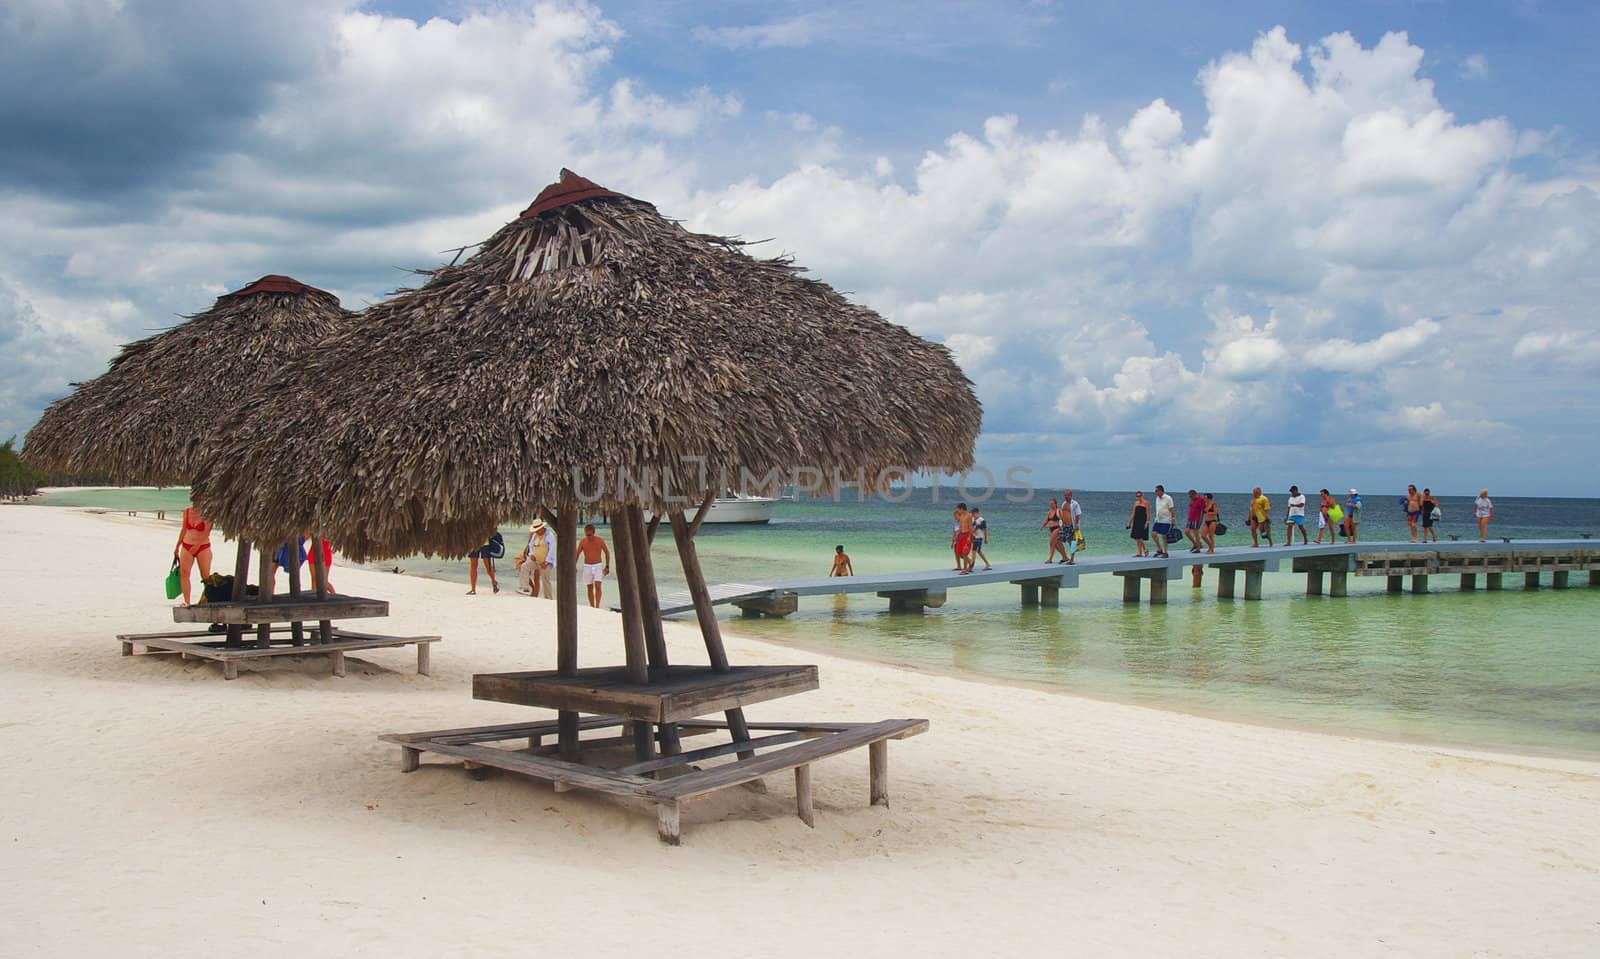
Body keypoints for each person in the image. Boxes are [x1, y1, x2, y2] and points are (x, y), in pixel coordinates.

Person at [172, 504, 213, 606]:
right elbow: (184, 529)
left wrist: (197, 545)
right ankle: (187, 601)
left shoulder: (207, 512)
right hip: (187, 545)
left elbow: (206, 532)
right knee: (184, 573)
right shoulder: (187, 511)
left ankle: (207, 598)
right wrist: (177, 546)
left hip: (203, 547)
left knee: (205, 576)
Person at [516, 518, 556, 597]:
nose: (537, 531)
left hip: (546, 562)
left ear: (542, 527)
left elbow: (552, 550)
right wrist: (531, 555)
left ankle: (548, 598)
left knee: (546, 580)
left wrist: (546, 562)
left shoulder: (550, 536)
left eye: (538, 529)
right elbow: (531, 546)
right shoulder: (535, 535)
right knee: (524, 567)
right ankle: (525, 588)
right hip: (535, 560)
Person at [577, 523, 610, 607]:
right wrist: (574, 565)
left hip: (598, 565)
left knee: (598, 586)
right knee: (589, 587)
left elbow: (607, 553)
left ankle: (597, 606)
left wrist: (607, 566)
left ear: (593, 532)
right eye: (586, 535)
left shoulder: (600, 540)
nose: (588, 536)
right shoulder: (583, 542)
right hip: (587, 566)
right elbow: (576, 554)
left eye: (590, 535)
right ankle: (592, 606)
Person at [466, 531, 502, 595]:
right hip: (473, 543)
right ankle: (473, 590)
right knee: (473, 565)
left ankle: (494, 582)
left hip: (485, 544)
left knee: (488, 566)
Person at [1150, 484, 1176, 558]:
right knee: (1153, 534)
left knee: (1164, 536)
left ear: (1161, 491)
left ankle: (1165, 552)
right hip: (1158, 519)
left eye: (1156, 491)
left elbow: (1172, 509)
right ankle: (1159, 549)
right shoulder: (1157, 498)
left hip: (1166, 520)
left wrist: (1173, 519)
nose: (1155, 492)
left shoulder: (1168, 498)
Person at [951, 502, 975, 574]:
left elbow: (971, 527)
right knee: (959, 552)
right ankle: (970, 562)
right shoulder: (961, 516)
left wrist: (969, 537)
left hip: (967, 535)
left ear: (962, 509)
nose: (958, 511)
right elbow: (960, 527)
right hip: (961, 535)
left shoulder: (969, 516)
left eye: (958, 509)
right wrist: (956, 535)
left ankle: (964, 570)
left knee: (965, 553)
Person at [1040, 498, 1067, 564]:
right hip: (1051, 529)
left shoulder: (1059, 511)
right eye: (1050, 504)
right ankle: (1065, 557)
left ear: (1055, 504)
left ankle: (1050, 559)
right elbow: (1046, 520)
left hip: (1057, 528)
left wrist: (1061, 528)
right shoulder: (1049, 512)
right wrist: (1042, 526)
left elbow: (1062, 520)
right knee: (1057, 545)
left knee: (1051, 543)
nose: (1051, 505)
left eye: (1052, 504)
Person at [1061, 489, 1084, 564]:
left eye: (1067, 495)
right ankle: (1065, 557)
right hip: (1064, 526)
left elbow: (1078, 514)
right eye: (1065, 495)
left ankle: (1072, 559)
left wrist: (1076, 525)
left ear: (1071, 495)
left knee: (1072, 542)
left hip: (1072, 525)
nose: (1066, 496)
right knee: (1065, 541)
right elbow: (1062, 514)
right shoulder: (1063, 503)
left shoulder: (1075, 503)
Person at [1126, 491, 1150, 557]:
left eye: (1140, 496)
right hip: (1136, 521)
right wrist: (1129, 522)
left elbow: (1148, 513)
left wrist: (1147, 522)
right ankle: (1140, 552)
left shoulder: (1146, 503)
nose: (1138, 497)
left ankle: (1145, 549)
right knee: (1136, 537)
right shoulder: (1136, 503)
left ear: (1142, 496)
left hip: (1143, 521)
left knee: (1140, 537)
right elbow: (1133, 513)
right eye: (1137, 496)